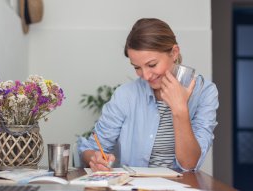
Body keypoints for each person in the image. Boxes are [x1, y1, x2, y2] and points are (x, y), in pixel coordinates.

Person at [78, 18, 219, 172]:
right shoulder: (125, 95)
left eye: (152, 65)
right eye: (137, 67)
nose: (145, 75)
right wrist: (94, 158)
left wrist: (179, 109)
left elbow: (189, 163)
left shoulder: (205, 92)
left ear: (174, 53)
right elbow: (91, 148)